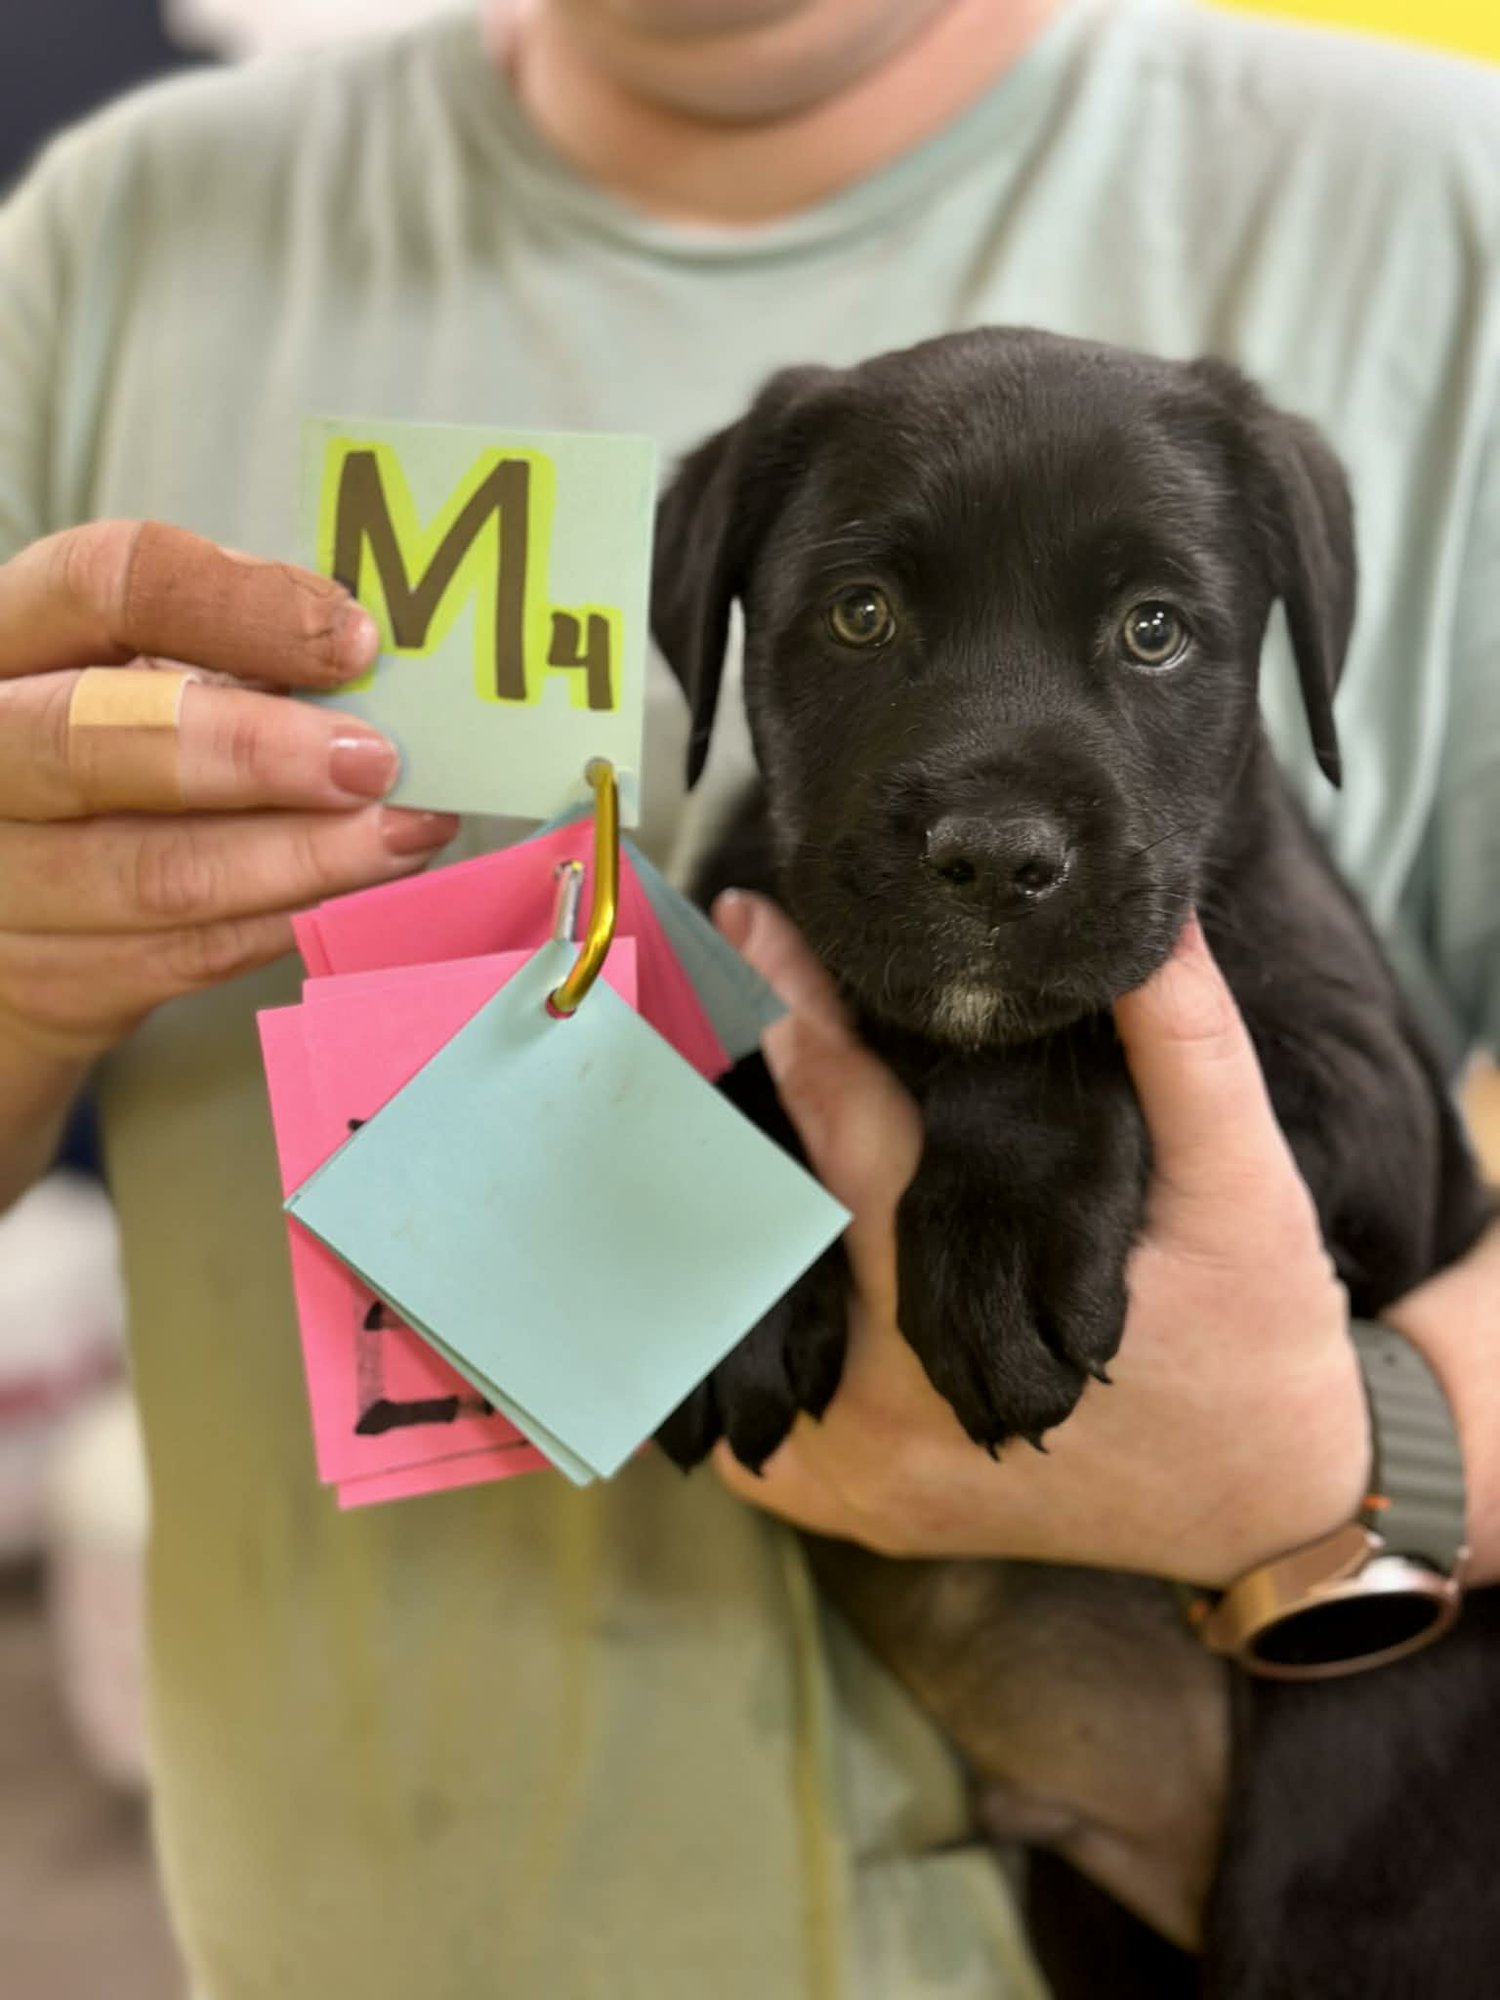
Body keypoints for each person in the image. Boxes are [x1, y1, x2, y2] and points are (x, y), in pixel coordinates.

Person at [0, 2, 1496, 1994]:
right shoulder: (112, 238)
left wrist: (1371, 1447)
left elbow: (1369, 1162)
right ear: (731, 630)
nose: (990, 805)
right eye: (862, 617)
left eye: (1153, 628)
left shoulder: (1441, 207)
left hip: (1317, 1871)